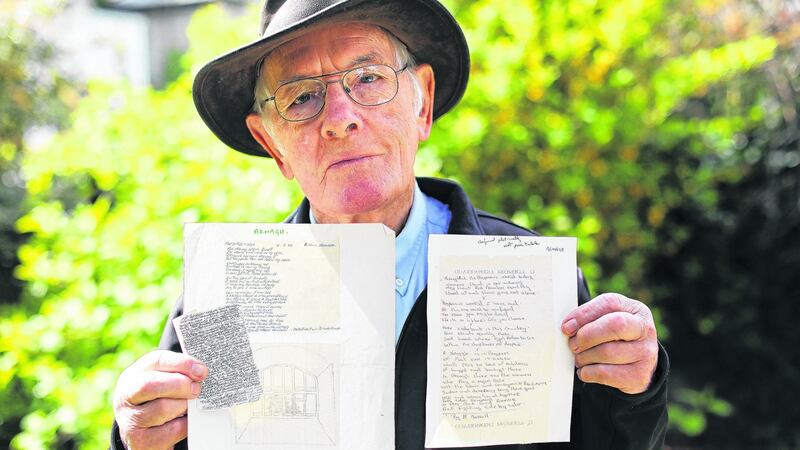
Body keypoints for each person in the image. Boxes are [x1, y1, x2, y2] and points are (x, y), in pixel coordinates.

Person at [111, 0, 669, 449]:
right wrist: (140, 435)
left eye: (369, 78)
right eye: (302, 97)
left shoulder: (529, 274)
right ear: (270, 144)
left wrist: (635, 386)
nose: (341, 118)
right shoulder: (225, 301)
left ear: (422, 103)